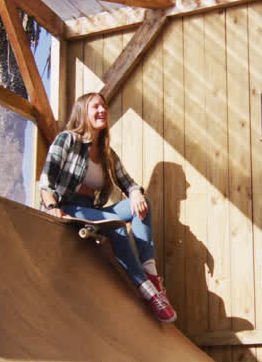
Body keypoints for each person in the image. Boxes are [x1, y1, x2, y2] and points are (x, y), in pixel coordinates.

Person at [38, 92, 176, 323]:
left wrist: (135, 193)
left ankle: (151, 274)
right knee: (116, 226)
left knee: (142, 205)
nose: (102, 110)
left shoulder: (107, 154)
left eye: (104, 106)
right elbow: (46, 180)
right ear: (83, 112)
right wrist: (51, 206)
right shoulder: (67, 140)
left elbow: (129, 183)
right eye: (96, 107)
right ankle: (149, 293)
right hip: (69, 207)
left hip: (93, 211)